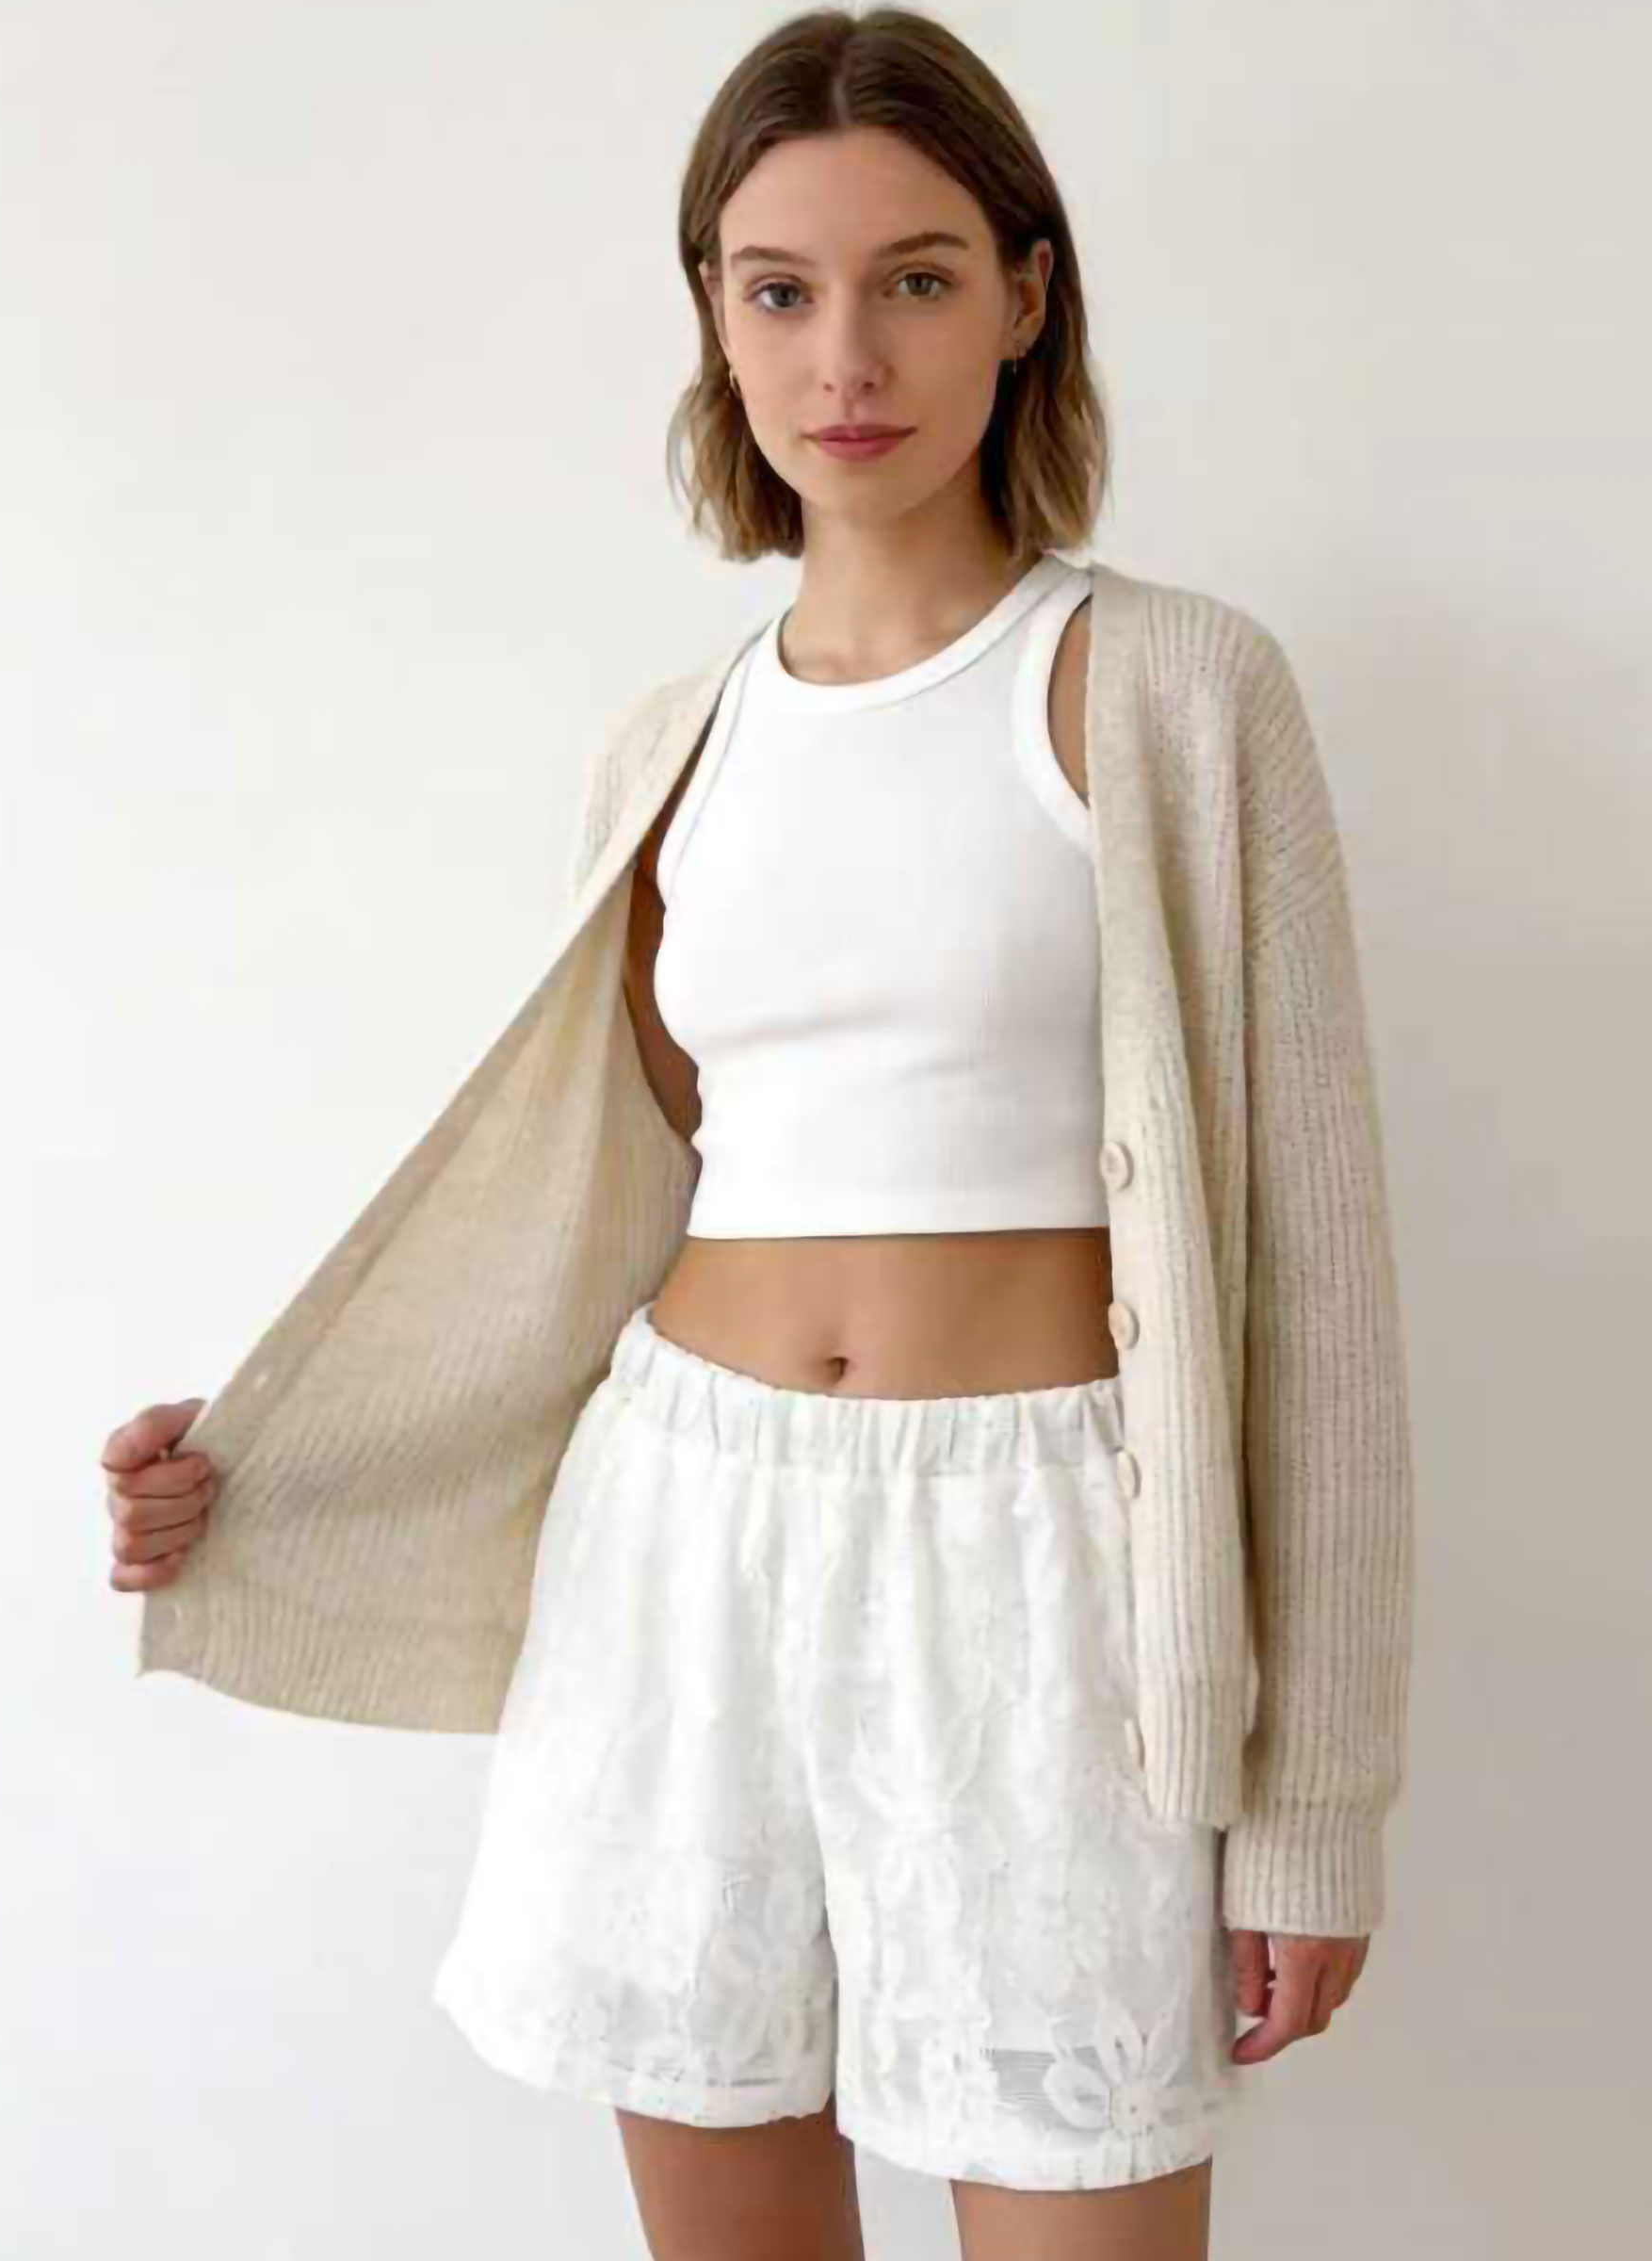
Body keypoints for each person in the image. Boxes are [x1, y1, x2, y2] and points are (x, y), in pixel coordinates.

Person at [101, 9, 1415, 2257]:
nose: (847, 357)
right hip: (685, 1553)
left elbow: (1318, 1293)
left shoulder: (1178, 688)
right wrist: (261, 1462)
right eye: (779, 288)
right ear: (712, 315)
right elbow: (577, 1234)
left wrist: (1316, 1811)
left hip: (1049, 1579)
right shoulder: (674, 746)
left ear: (1026, 294)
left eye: (917, 278)